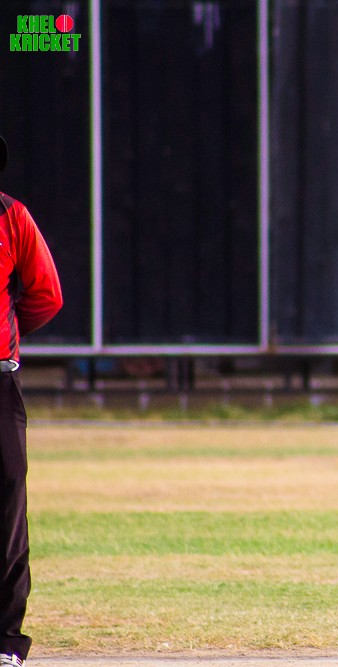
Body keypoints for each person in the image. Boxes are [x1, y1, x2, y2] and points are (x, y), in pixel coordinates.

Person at [0, 135, 64, 667]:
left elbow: (45, 293)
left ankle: (5, 640)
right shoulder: (10, 214)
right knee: (6, 506)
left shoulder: (12, 217)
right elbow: (46, 296)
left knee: (7, 506)